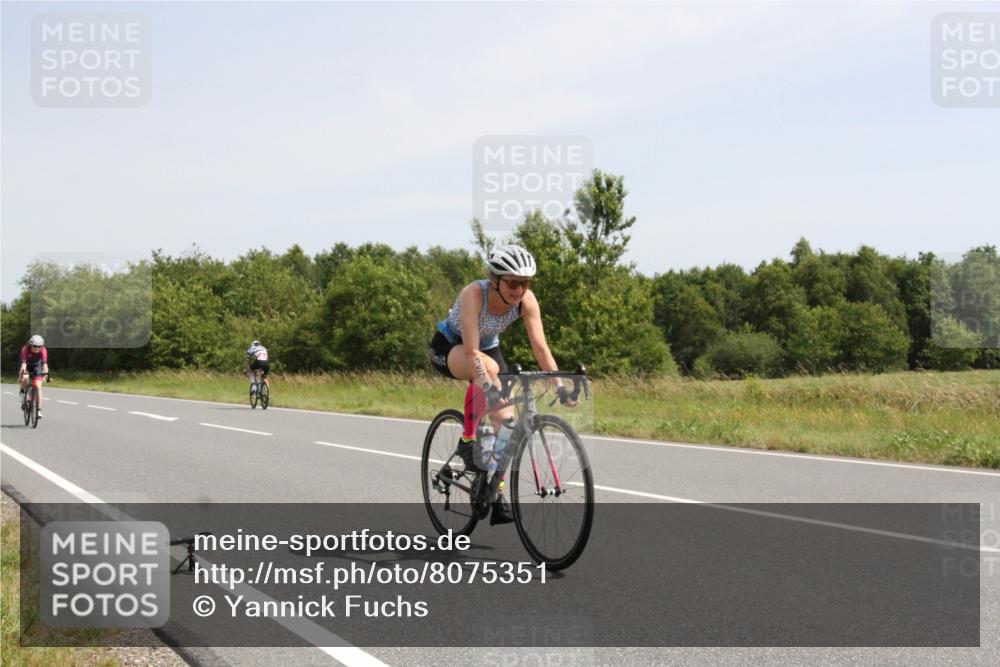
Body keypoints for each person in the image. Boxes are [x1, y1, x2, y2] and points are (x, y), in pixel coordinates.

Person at [429, 244, 576, 525]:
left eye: (524, 283)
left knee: (506, 422)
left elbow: (541, 348)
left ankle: (494, 491)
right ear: (495, 280)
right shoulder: (474, 294)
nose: (518, 290)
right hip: (452, 346)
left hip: (489, 350)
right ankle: (467, 441)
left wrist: (559, 385)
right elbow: (473, 354)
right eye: (511, 282)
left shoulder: (526, 300)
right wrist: (490, 387)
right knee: (490, 372)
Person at [19, 334, 49, 419]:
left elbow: (45, 365)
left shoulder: (43, 350)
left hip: (37, 366)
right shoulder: (25, 349)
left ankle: (38, 411)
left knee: (38, 386)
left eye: (39, 347)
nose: (37, 348)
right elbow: (24, 364)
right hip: (27, 366)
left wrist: (47, 375)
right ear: (30, 345)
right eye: (35, 346)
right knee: (25, 378)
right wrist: (23, 373)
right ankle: (22, 393)